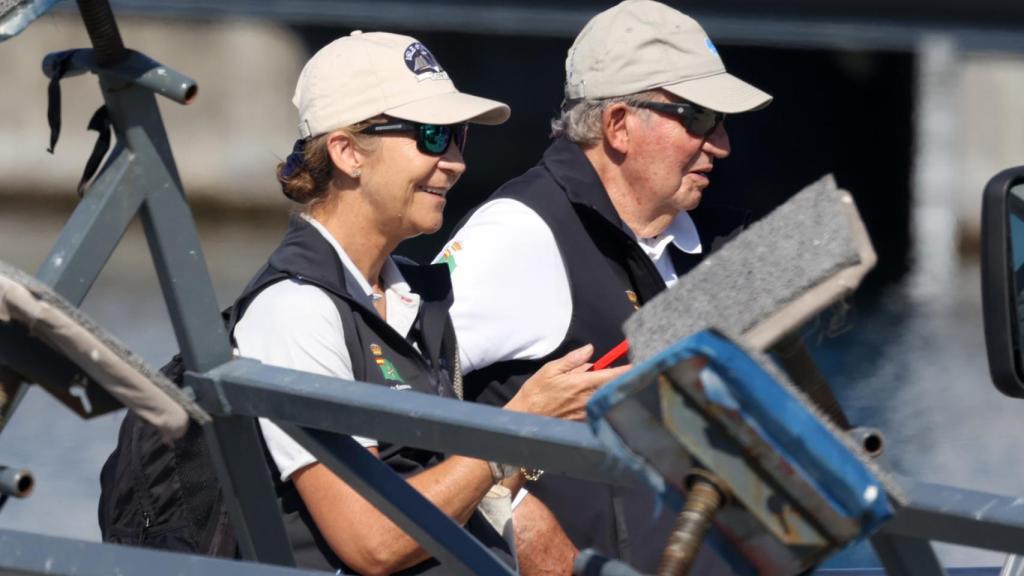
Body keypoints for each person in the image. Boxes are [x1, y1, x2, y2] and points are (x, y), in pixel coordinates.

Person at [232, 31, 628, 574]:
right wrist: (518, 425)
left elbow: (445, 482)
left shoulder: (417, 299)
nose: (457, 162)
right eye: (433, 137)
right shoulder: (295, 310)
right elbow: (371, 541)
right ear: (348, 153)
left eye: (459, 136)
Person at [438, 0, 774, 572]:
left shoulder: (708, 245)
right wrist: (514, 516)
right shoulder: (520, 233)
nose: (721, 144)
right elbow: (397, 402)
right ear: (618, 124)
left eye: (722, 122)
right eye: (698, 118)